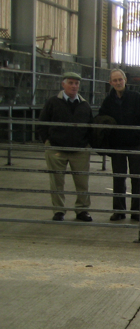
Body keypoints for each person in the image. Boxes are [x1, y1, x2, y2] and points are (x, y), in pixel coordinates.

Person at [38, 71, 94, 222]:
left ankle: (82, 210)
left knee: (82, 182)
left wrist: (87, 144)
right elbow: (42, 122)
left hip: (80, 150)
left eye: (76, 83)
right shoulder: (52, 102)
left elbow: (90, 126)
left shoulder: (84, 105)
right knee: (56, 181)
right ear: (63, 84)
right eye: (70, 83)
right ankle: (59, 210)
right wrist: (47, 142)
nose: (74, 86)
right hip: (56, 149)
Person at [99, 68, 140, 222]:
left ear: (125, 80)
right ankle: (119, 211)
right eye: (114, 80)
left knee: (137, 178)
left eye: (120, 79)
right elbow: (101, 118)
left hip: (135, 146)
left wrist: (136, 137)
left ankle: (136, 211)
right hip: (117, 146)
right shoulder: (108, 101)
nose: (117, 82)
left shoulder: (136, 98)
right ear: (110, 82)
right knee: (118, 178)